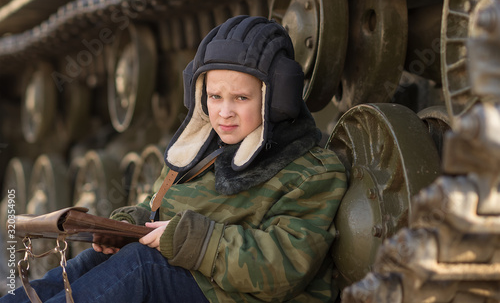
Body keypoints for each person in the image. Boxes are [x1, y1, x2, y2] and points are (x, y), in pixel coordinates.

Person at [4, 16, 347, 302]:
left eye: (241, 97)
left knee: (141, 266)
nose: (224, 112)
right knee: (91, 261)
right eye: (214, 96)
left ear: (276, 98)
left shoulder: (310, 171)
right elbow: (160, 208)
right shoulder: (200, 151)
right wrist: (127, 225)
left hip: (234, 295)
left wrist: (191, 240)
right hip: (198, 277)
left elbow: (284, 267)